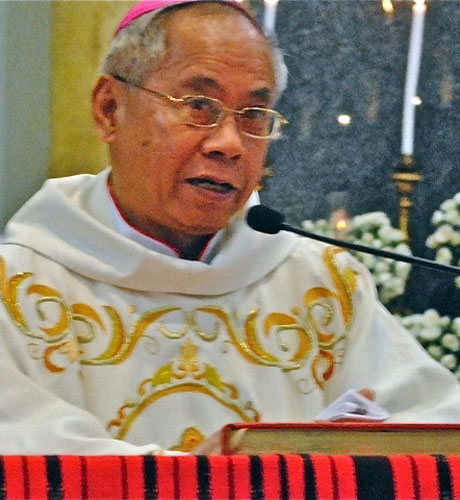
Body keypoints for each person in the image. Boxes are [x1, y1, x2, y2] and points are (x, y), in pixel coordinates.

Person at [1, 0, 460, 456]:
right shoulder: (18, 287)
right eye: (199, 105)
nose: (229, 144)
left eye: (254, 115)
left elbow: (435, 429)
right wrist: (210, 481)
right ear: (109, 109)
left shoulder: (321, 287)